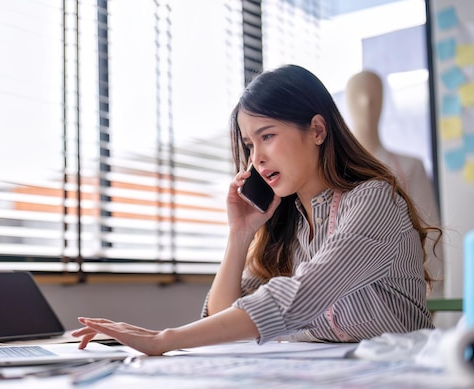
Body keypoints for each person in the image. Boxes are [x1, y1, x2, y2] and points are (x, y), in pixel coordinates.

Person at [72, 64, 440, 356]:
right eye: (249, 144)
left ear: (316, 130)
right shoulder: (290, 222)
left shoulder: (373, 201)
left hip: (400, 374)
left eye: (267, 136)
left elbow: (302, 295)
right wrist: (239, 235)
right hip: (330, 379)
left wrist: (166, 339)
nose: (256, 159)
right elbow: (223, 317)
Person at [345, 70, 444, 297]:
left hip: (403, 298)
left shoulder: (410, 168)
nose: (366, 101)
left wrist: (432, 296)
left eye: (373, 95)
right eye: (357, 95)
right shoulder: (334, 172)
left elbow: (430, 237)